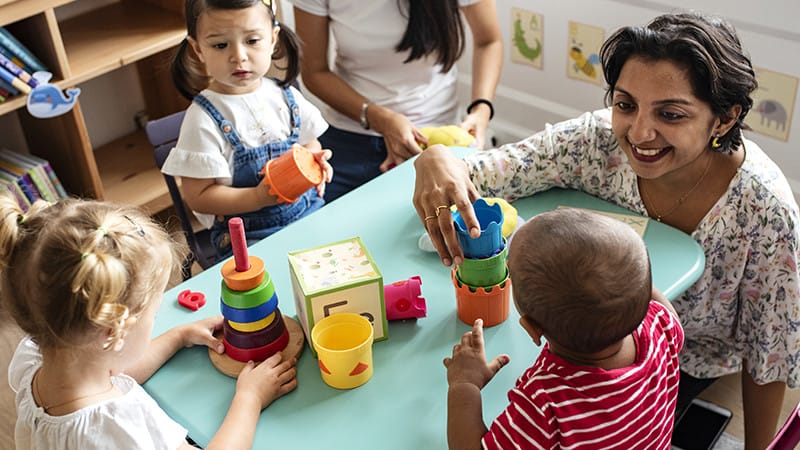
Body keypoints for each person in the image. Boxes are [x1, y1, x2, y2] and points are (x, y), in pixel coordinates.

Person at [415, 12, 800, 449]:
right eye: (625, 104)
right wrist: (437, 158)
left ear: (724, 120)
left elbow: (770, 351)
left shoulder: (765, 210)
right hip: (584, 336)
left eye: (671, 114)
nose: (639, 133)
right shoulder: (594, 143)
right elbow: (491, 171)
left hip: (685, 361)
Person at [0, 194, 298, 450]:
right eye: (152, 315)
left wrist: (177, 336)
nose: (155, 322)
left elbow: (113, 371)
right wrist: (250, 398)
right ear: (113, 331)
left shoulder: (36, 359)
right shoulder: (121, 428)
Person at [445, 208, 684, 449]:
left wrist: (464, 384)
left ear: (532, 328)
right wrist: (627, 278)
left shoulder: (546, 402)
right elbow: (653, 301)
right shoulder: (661, 326)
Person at [165, 0, 334, 260]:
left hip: (308, 210)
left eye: (252, 41)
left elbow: (310, 143)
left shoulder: (285, 95)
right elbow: (199, 197)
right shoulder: (202, 119)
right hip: (248, 237)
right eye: (220, 45)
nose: (239, 56)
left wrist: (314, 161)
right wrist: (257, 197)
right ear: (198, 49)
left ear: (273, 38)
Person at [292, 0, 502, 202]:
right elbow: (314, 71)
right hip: (350, 136)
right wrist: (378, 117)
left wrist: (481, 110)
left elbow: (489, 41)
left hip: (435, 137)